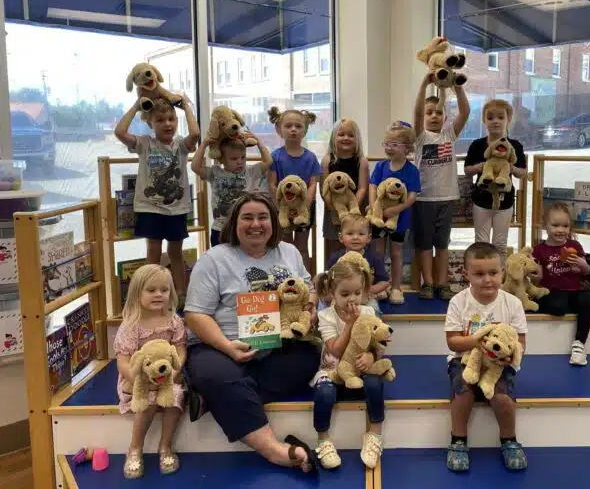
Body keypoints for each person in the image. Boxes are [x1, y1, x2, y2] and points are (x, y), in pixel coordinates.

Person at [184, 191, 321, 474]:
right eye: (247, 217)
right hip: (220, 346)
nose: (255, 224)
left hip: (278, 345)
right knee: (215, 373)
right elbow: (195, 314)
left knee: (309, 357)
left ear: (274, 221)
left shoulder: (290, 252)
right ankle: (277, 452)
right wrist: (225, 346)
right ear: (234, 223)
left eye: (263, 217)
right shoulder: (214, 259)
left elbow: (310, 290)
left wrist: (309, 310)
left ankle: (216, 396)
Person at [444, 242, 528, 472]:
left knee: (502, 397)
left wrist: (508, 358)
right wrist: (477, 343)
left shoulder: (512, 303)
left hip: (499, 365)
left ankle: (509, 440)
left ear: (502, 272)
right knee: (463, 390)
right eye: (479, 274)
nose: (487, 279)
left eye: (493, 273)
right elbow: (452, 341)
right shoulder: (458, 302)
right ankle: (458, 440)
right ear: (466, 274)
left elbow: (520, 343)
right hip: (463, 359)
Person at [114, 96, 201, 302]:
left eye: (172, 119)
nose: (167, 124)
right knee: (153, 251)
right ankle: (150, 293)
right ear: (150, 123)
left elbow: (196, 133)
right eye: (160, 120)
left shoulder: (180, 145)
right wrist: (136, 106)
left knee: (176, 252)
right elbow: (119, 132)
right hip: (150, 208)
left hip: (176, 208)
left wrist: (186, 106)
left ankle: (180, 294)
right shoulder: (145, 143)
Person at [312, 258, 387, 470]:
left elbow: (378, 343)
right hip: (334, 369)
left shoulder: (369, 312)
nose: (352, 299)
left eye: (357, 293)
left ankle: (374, 434)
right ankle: (323, 438)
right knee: (324, 393)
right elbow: (335, 349)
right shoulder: (325, 316)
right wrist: (350, 324)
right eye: (345, 294)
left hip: (360, 367)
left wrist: (373, 356)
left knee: (375, 383)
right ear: (331, 293)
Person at [114, 264, 186, 479]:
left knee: (175, 396)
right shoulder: (131, 326)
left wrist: (173, 373)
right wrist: (140, 380)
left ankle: (165, 446)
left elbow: (180, 351)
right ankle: (135, 448)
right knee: (147, 399)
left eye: (164, 290)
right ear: (137, 293)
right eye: (151, 290)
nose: (159, 294)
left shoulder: (174, 321)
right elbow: (123, 361)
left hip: (169, 376)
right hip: (137, 379)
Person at [413, 74, 470, 300]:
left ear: (445, 116)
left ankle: (442, 283)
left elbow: (465, 112)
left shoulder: (449, 135)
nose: (434, 116)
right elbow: (416, 113)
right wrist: (424, 84)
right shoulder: (419, 137)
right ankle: (428, 283)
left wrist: (457, 87)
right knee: (425, 245)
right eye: (429, 113)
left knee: (442, 244)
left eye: (438, 112)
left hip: (447, 198)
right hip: (423, 199)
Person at [532, 202, 590, 366]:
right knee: (557, 307)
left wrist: (580, 264)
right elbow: (538, 277)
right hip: (552, 290)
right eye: (555, 225)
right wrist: (533, 270)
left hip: (574, 290)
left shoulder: (574, 246)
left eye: (565, 226)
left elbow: (586, 270)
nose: (561, 230)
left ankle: (579, 344)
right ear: (546, 226)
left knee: (587, 302)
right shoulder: (540, 249)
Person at [463, 99, 527, 256]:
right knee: (481, 242)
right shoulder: (477, 145)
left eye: (500, 117)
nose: (495, 121)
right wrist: (480, 167)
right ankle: (480, 277)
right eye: (490, 118)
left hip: (505, 201)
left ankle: (499, 278)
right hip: (481, 199)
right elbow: (467, 170)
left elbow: (522, 173)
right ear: (484, 120)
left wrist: (510, 167)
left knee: (500, 243)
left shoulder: (515, 146)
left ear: (508, 120)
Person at [369, 122, 421, 305]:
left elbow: (412, 196)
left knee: (396, 252)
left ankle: (396, 288)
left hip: (400, 220)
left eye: (394, 144)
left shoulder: (411, 170)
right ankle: (379, 286)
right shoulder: (381, 166)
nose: (389, 148)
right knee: (377, 252)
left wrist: (396, 209)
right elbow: (373, 186)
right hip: (379, 218)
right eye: (387, 144)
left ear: (407, 148)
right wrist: (374, 205)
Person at [267, 106, 322, 272]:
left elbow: (313, 184)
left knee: (301, 246)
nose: (293, 130)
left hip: (304, 208)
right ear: (279, 130)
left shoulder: (311, 157)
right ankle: (285, 279)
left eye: (298, 126)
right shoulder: (275, 156)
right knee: (284, 247)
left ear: (304, 131)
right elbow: (271, 184)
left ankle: (304, 281)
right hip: (282, 209)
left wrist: (304, 206)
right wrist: (279, 207)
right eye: (288, 126)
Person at [191, 135, 272, 247]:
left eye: (243, 157)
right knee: (219, 260)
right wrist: (204, 144)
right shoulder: (215, 172)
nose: (240, 162)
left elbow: (268, 161)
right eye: (234, 159)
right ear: (222, 159)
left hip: (243, 228)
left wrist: (258, 142)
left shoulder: (251, 171)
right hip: (220, 228)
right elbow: (195, 167)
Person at [320, 118, 369, 256]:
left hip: (355, 210)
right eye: (341, 134)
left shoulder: (362, 161)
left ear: (357, 139)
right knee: (334, 247)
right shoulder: (327, 160)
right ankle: (332, 275)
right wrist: (334, 208)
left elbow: (362, 188)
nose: (345, 138)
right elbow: (324, 190)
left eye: (350, 135)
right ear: (333, 137)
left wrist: (352, 208)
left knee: (356, 246)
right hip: (332, 211)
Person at [325, 213, 390, 314]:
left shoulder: (375, 258)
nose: (355, 237)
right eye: (350, 233)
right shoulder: (335, 259)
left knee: (373, 310)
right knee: (331, 312)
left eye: (361, 234)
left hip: (365, 299)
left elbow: (384, 282)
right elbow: (327, 280)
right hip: (341, 298)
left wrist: (370, 290)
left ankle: (370, 329)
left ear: (368, 238)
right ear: (341, 237)